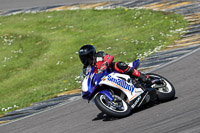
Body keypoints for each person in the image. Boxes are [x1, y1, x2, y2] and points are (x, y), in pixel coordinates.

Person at [78, 44, 149, 82]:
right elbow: (86, 79)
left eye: (86, 57)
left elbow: (109, 57)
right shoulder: (86, 68)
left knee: (118, 64)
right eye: (83, 58)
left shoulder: (99, 55)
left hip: (112, 71)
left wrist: (105, 64)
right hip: (103, 80)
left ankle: (142, 76)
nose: (85, 60)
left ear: (91, 55)